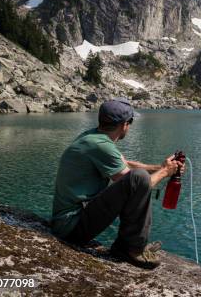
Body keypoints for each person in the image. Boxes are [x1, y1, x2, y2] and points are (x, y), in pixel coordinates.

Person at [51, 97, 184, 269]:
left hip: (69, 221)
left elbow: (124, 164)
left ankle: (126, 245)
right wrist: (165, 172)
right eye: (130, 122)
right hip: (71, 227)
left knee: (139, 176)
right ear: (124, 125)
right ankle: (131, 249)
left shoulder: (94, 137)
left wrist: (161, 167)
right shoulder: (101, 145)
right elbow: (137, 183)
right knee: (140, 178)